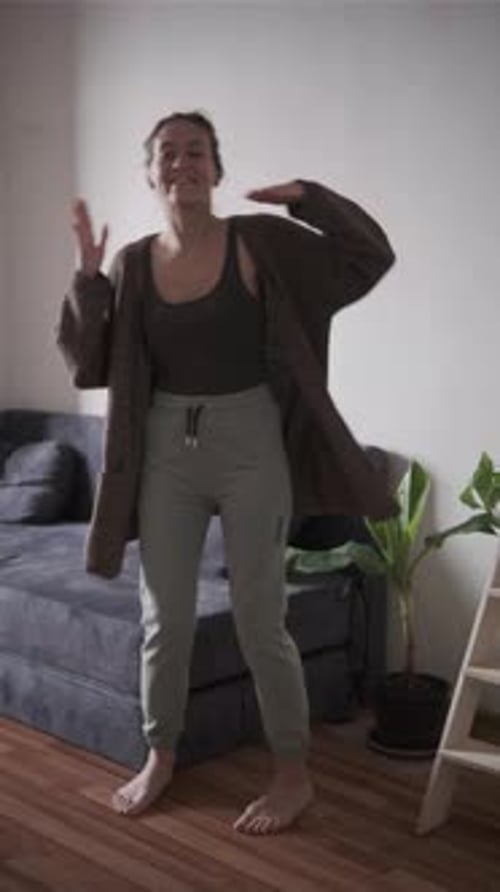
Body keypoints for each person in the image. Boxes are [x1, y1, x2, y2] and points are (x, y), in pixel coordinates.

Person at [57, 110, 396, 835]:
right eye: (168, 153)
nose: (183, 163)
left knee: (258, 619)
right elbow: (91, 363)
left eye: (197, 151)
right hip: (163, 451)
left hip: (251, 445)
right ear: (150, 172)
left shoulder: (260, 243)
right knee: (164, 619)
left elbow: (369, 256)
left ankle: (292, 773)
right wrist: (88, 281)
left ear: (217, 168)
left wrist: (311, 198)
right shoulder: (134, 264)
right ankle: (160, 755)